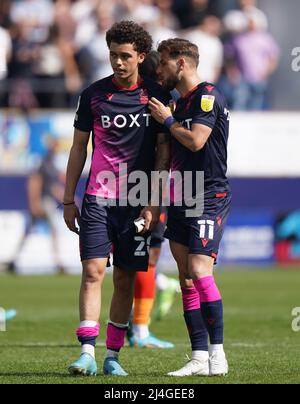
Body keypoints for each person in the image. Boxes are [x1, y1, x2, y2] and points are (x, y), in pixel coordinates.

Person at [64, 21, 170, 377]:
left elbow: (162, 154)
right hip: (97, 198)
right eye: (113, 55)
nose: (118, 62)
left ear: (141, 57)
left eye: (125, 56)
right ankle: (86, 353)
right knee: (93, 271)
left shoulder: (156, 97)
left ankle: (112, 356)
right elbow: (79, 147)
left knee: (125, 278)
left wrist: (153, 202)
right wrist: (68, 199)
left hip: (137, 202)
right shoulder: (93, 94)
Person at [149, 38, 231, 376]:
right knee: (185, 279)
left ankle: (218, 354)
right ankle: (198, 357)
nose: (159, 70)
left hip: (209, 195)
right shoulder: (174, 102)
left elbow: (197, 140)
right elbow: (165, 156)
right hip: (180, 195)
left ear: (181, 63)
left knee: (200, 271)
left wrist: (168, 121)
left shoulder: (206, 96)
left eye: (163, 63)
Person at [127, 51, 178, 349]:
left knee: (142, 260)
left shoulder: (140, 100)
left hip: (137, 185)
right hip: (147, 189)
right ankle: (140, 329)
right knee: (146, 259)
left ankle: (135, 326)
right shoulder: (156, 102)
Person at [7, 137, 66, 274]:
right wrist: (34, 202)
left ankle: (14, 260)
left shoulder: (51, 165)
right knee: (52, 230)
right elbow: (34, 182)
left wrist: (67, 198)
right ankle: (58, 263)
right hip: (43, 201)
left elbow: (53, 187)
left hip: (47, 200)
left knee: (31, 232)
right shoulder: (45, 163)